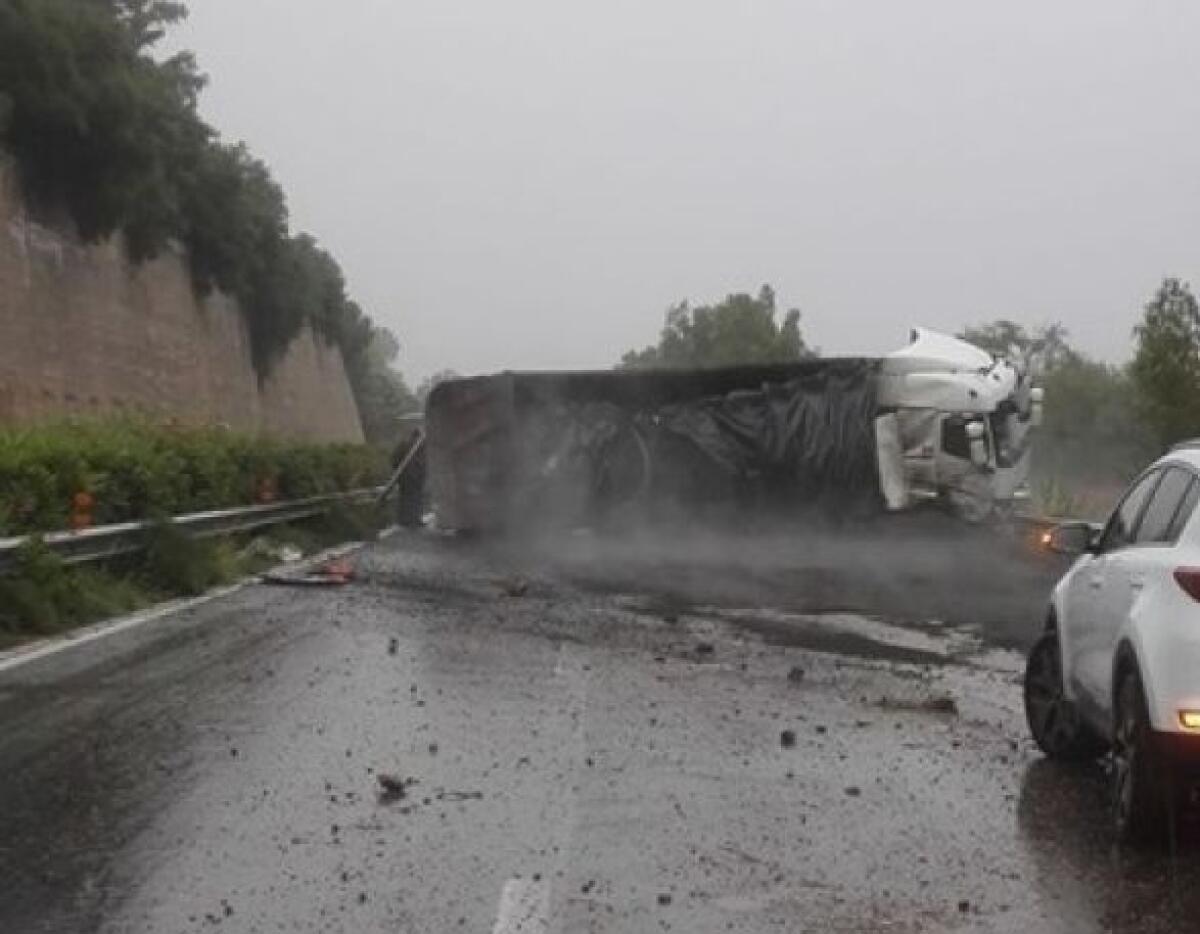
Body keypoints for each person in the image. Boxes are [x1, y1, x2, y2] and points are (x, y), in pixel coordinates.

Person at [390, 427, 426, 527]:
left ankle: (413, 519)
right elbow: (395, 460)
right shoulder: (407, 446)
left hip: (415, 478)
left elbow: (424, 461)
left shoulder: (419, 446)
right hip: (408, 478)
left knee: (414, 499)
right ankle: (407, 520)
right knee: (409, 499)